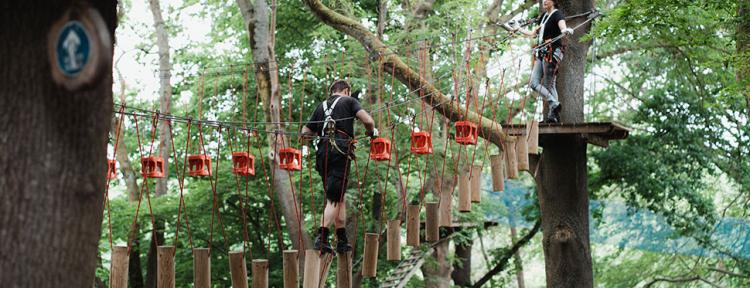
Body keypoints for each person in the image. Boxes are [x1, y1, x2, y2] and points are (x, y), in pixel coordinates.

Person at [300, 80, 377, 253]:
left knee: (338, 196)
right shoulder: (350, 101)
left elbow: (305, 134)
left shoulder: (321, 107)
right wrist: (371, 132)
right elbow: (368, 121)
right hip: (340, 152)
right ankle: (322, 237)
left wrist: (322, 131)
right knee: (334, 198)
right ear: (347, 91)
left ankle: (341, 238)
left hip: (322, 154)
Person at [513, 0, 574, 123]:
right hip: (541, 53)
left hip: (552, 53)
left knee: (549, 85)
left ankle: (553, 116)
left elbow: (563, 27)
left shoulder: (558, 15)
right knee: (534, 83)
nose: (544, 1)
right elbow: (532, 33)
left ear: (554, 1)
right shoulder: (543, 17)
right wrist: (518, 28)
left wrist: (565, 30)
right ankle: (554, 104)